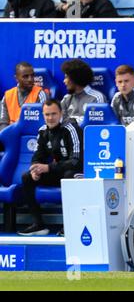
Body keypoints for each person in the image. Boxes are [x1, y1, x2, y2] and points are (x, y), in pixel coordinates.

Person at [18, 99, 83, 236]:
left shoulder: (71, 129)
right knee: (26, 177)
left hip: (77, 173)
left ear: (61, 113)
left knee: (69, 176)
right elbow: (37, 156)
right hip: (57, 171)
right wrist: (34, 169)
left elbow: (76, 161)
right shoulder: (42, 131)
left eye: (53, 114)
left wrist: (48, 168)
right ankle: (38, 224)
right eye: (47, 115)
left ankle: (71, 225)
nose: (50, 118)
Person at [0, 62, 48, 132]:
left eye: (32, 76)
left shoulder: (40, 94)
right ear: (16, 78)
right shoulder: (7, 96)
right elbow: (3, 123)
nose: (30, 79)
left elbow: (44, 123)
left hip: (32, 137)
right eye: (25, 76)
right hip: (11, 136)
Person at [60, 59, 107, 125]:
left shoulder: (96, 98)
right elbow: (59, 121)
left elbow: (100, 124)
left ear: (75, 78)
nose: (64, 81)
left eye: (66, 77)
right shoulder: (66, 99)